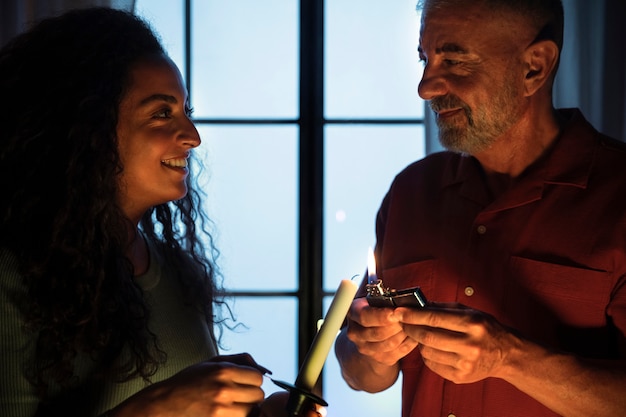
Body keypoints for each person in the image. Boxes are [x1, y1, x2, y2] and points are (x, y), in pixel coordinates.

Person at [0, 8, 322, 417]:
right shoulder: (12, 275)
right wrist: (162, 406)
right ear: (87, 128)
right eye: (161, 113)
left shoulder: (178, 272)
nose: (192, 136)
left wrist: (267, 412)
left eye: (187, 112)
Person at [335, 0, 626, 416]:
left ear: (534, 67)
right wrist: (369, 351)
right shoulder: (411, 191)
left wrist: (509, 357)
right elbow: (360, 374)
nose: (425, 87)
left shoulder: (618, 196)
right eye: (425, 58)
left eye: (453, 60)